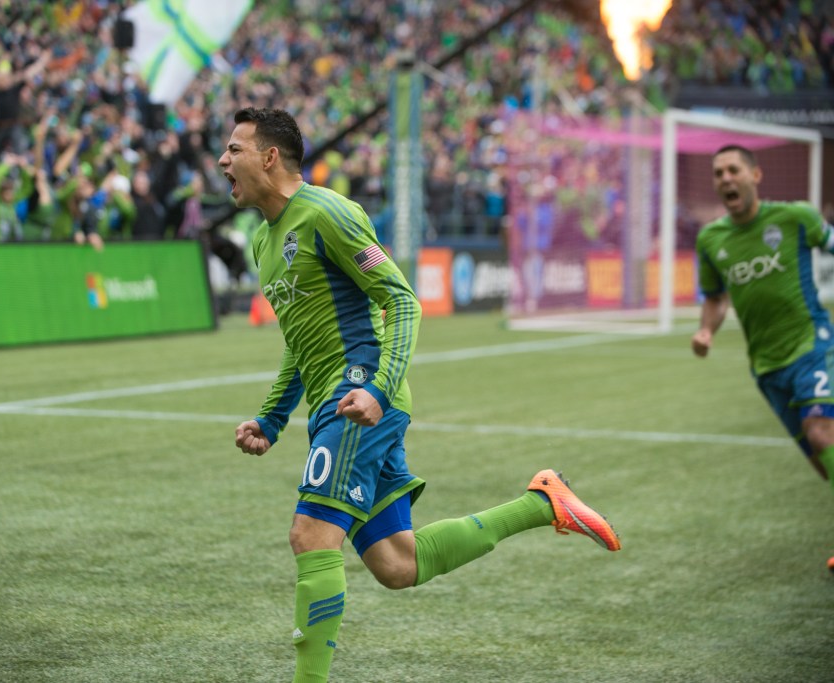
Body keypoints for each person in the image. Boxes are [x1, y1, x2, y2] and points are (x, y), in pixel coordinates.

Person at [221, 107, 621, 683]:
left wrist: (379, 391)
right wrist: (272, 417)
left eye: (234, 149)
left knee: (310, 534)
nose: (221, 161)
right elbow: (298, 338)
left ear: (269, 156)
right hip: (339, 403)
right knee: (396, 564)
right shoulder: (264, 242)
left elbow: (402, 300)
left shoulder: (329, 213)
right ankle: (543, 503)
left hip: (359, 396)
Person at [691, 144, 834, 571]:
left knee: (821, 433)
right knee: (820, 460)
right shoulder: (711, 239)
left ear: (756, 176)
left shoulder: (795, 218)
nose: (725, 179)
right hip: (767, 368)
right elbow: (716, 299)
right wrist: (705, 329)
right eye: (718, 173)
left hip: (813, 345)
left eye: (733, 170)